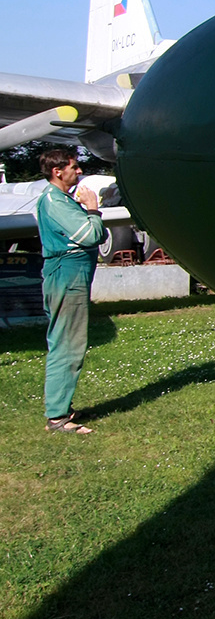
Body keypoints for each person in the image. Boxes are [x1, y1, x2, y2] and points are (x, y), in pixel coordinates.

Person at [35, 148, 105, 433]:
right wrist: (92, 209)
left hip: (70, 276)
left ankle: (60, 409)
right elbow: (91, 234)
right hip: (67, 277)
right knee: (68, 344)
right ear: (57, 171)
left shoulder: (62, 200)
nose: (79, 172)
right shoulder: (55, 202)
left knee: (66, 341)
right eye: (74, 167)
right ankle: (58, 417)